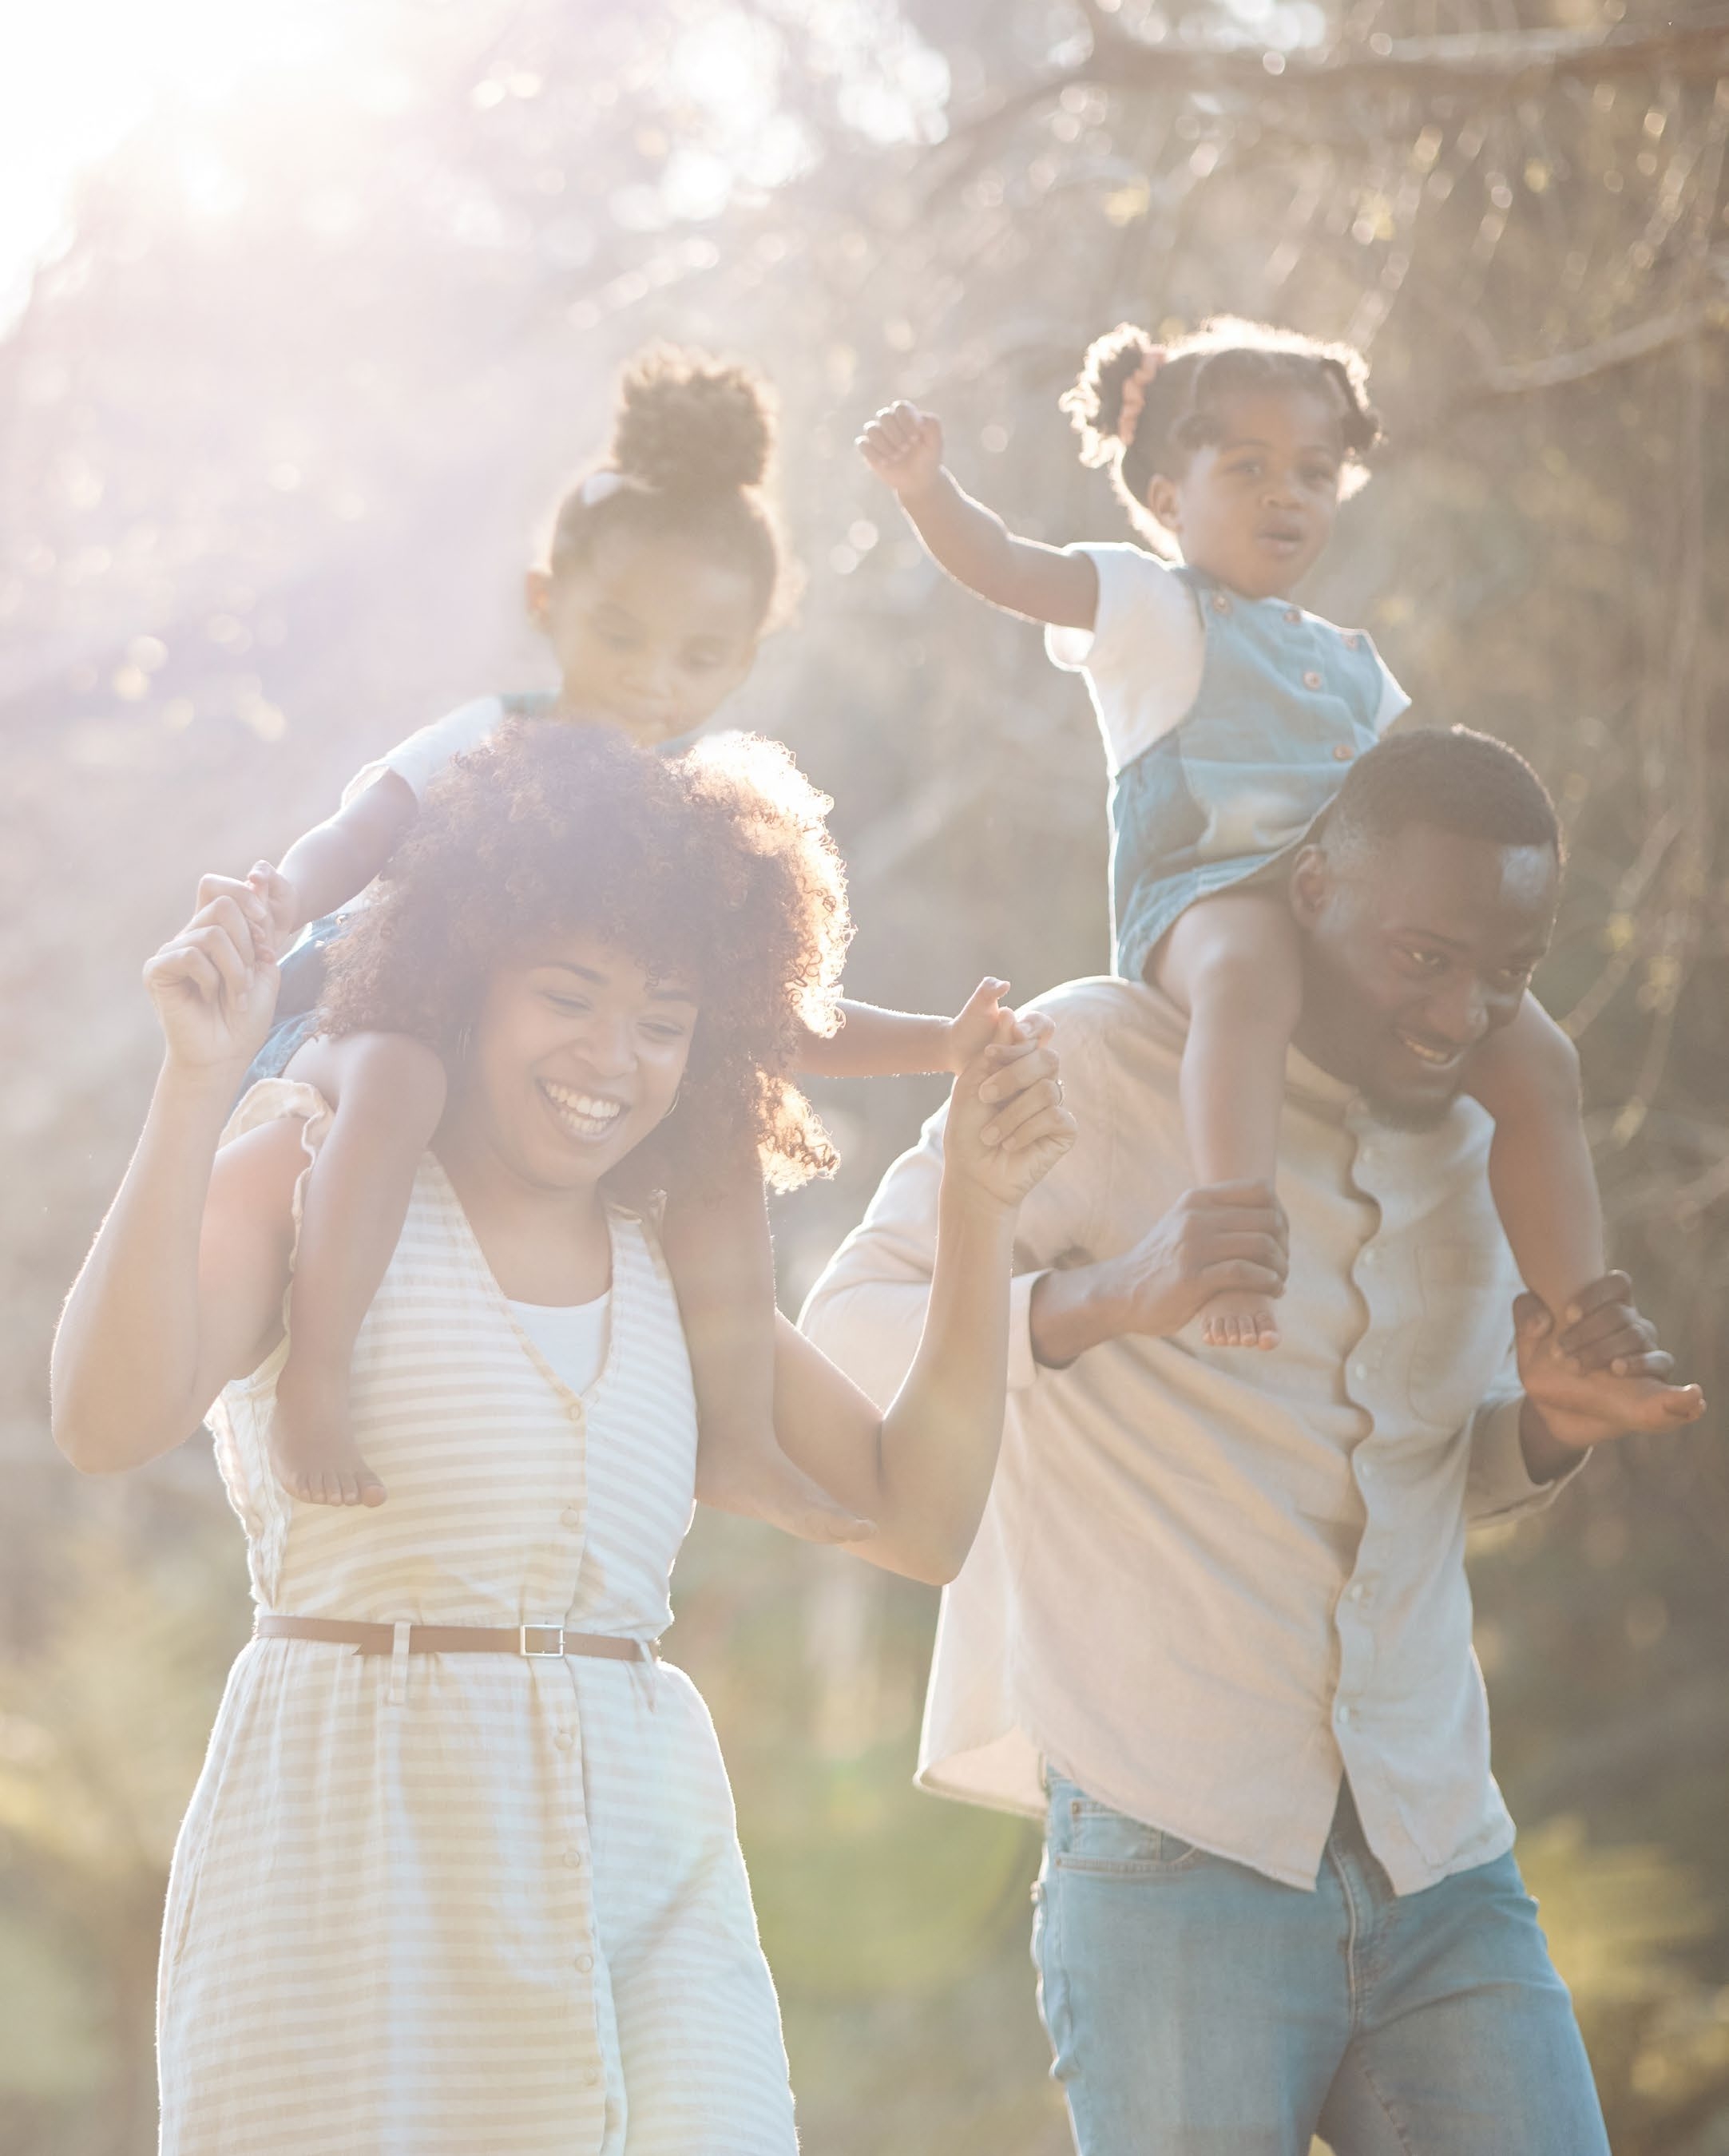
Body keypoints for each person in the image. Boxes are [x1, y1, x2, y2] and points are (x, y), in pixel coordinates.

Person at [50, 723, 1075, 2156]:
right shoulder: (313, 1165)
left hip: (645, 1865)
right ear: (465, 974)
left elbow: (920, 1519)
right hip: (361, 1868)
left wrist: (979, 1207)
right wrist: (191, 1084)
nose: (613, 1059)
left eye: (664, 1020)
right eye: (568, 997)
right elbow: (105, 1423)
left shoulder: (670, 1261)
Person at [802, 726, 1704, 2156]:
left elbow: (1422, 1471)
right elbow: (841, 1336)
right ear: (1312, 892)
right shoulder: (1098, 1057)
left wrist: (1545, 1427)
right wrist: (1107, 1298)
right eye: (1424, 958)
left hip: (1438, 1858)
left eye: (1506, 973)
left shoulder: (1485, 1144)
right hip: (1171, 1857)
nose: (1461, 1011)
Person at [247, 344, 1007, 1522]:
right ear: (547, 601)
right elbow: (356, 836)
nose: (653, 680)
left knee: (717, 1118)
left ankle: (739, 1439)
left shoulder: (687, 813)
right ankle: (317, 1376)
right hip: (353, 1021)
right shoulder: (487, 736)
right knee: (398, 1075)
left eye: (698, 657)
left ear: (748, 654)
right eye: (620, 635)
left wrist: (939, 1046)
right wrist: (274, 902)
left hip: (522, 1071)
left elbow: (762, 1013)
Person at [859, 316, 1614, 1371]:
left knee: (1536, 1053)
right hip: (1202, 896)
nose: (1284, 495)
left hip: (1333, 901)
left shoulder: (1350, 660)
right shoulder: (1150, 607)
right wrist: (926, 489)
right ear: (1168, 497)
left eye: (1313, 472)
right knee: (1250, 971)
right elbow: (1007, 567)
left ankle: (1586, 1322)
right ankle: (1233, 1236)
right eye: (1249, 468)